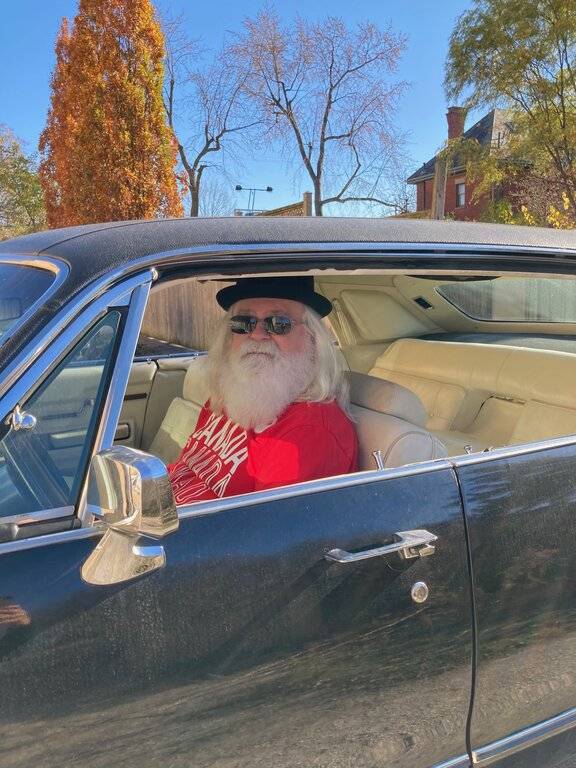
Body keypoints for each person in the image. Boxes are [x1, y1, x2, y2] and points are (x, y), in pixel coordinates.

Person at [167, 276, 358, 504]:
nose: (257, 334)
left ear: (313, 338)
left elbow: (265, 524)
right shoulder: (229, 391)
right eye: (243, 322)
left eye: (278, 323)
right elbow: (185, 469)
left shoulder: (309, 431)